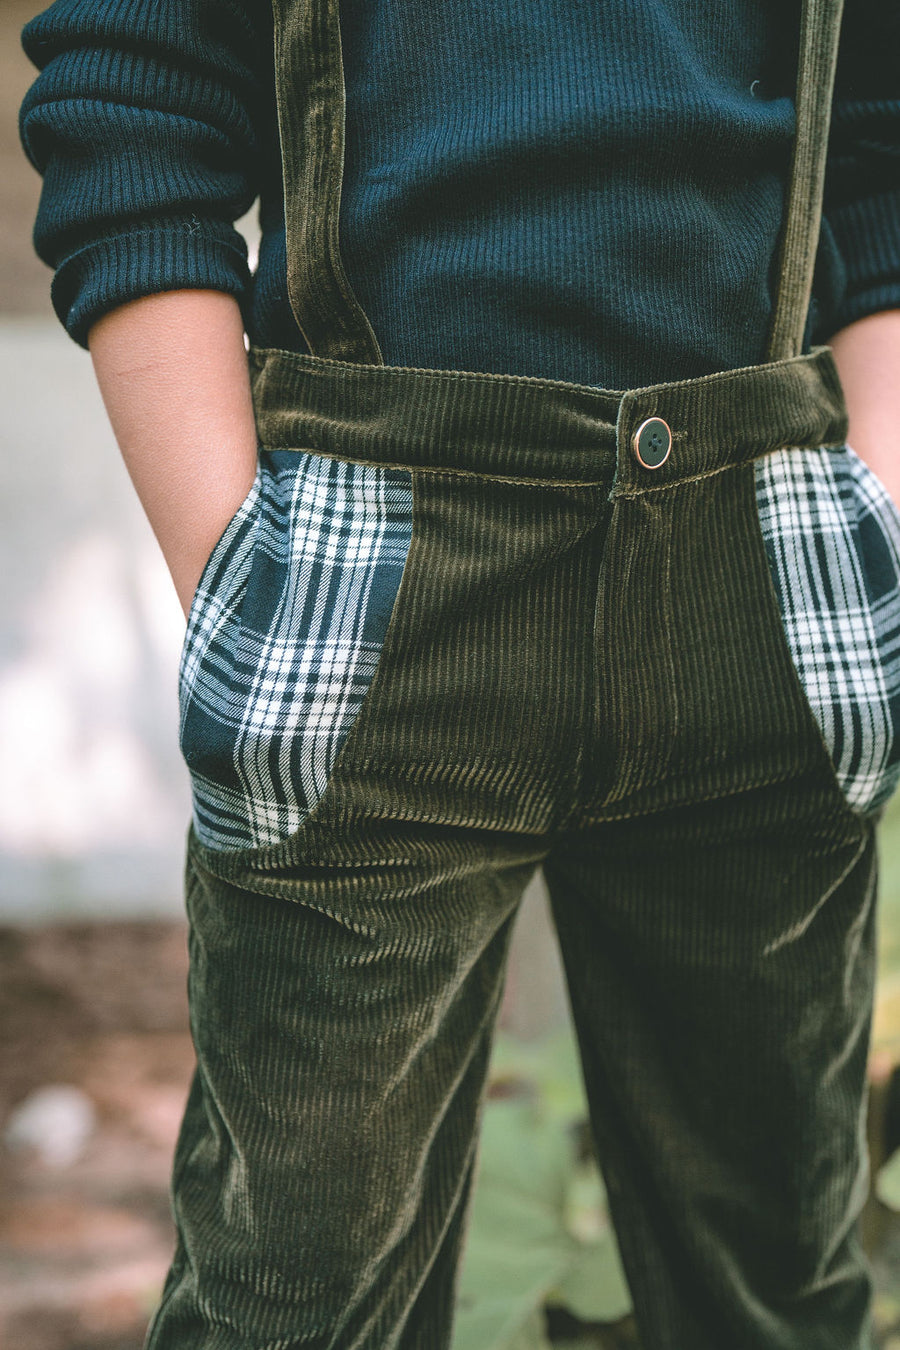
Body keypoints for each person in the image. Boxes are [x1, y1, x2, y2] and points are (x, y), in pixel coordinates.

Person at [18, 0, 900, 1345]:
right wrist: (241, 581)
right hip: (375, 579)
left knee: (774, 1304)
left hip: (760, 573)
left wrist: (873, 531)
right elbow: (138, 74)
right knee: (292, 1312)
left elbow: (882, 126)